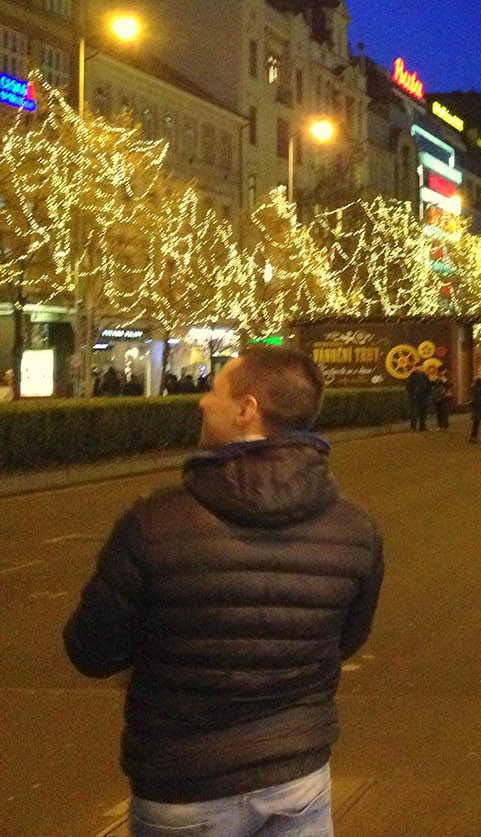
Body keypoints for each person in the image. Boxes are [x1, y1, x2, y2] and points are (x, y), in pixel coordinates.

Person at [62, 347, 383, 834]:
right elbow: (346, 640)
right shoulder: (355, 529)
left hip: (184, 781)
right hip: (297, 776)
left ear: (246, 409)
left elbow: (92, 651)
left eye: (213, 390)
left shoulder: (154, 522)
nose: (201, 402)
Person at [405, 364, 431, 431]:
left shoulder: (424, 375)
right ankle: (413, 427)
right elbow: (409, 385)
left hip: (423, 396)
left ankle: (422, 426)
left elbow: (428, 384)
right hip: (415, 396)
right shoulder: (412, 375)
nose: (421, 368)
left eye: (422, 367)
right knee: (414, 412)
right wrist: (412, 394)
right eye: (420, 367)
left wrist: (427, 393)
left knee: (423, 412)